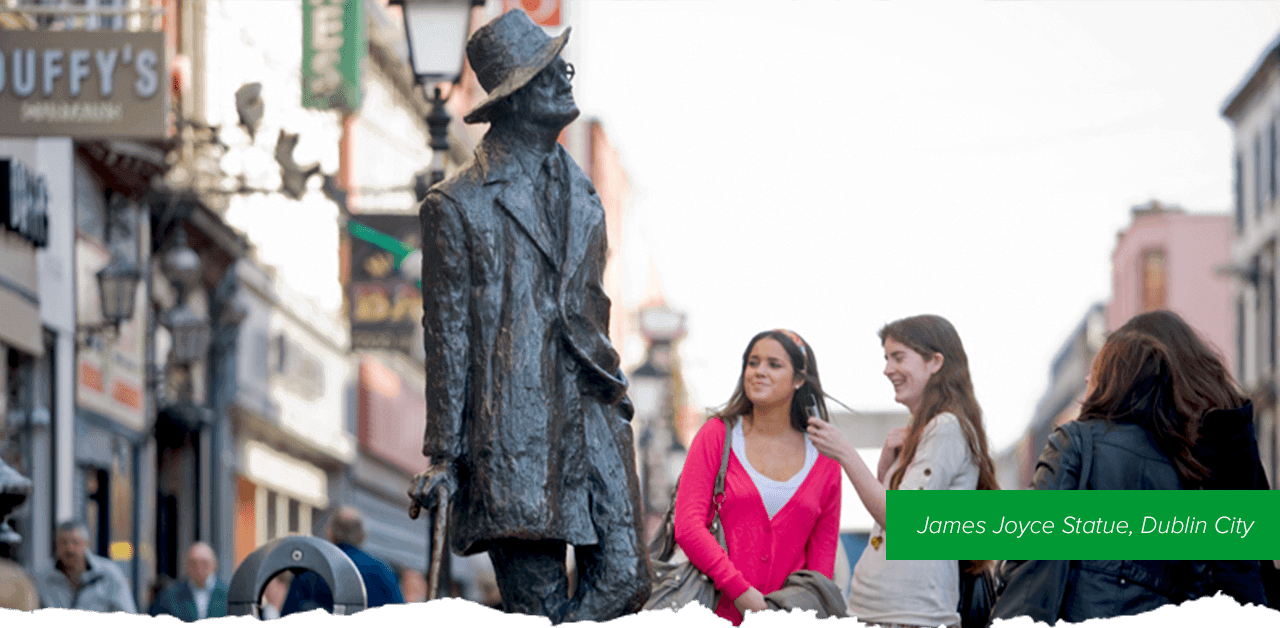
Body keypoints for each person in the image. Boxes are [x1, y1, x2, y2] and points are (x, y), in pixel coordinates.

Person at [407, 8, 650, 625]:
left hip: (590, 409)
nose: (564, 78)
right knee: (537, 602)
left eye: (561, 66)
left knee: (628, 580)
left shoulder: (582, 190)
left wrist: (614, 394)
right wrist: (444, 453)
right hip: (510, 428)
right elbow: (448, 332)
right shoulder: (456, 204)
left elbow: (589, 306)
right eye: (548, 73)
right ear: (515, 99)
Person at [997, 329, 1251, 623]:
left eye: (1095, 371)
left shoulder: (1074, 442)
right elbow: (1197, 582)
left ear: (1112, 380)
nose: (1086, 380)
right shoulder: (1185, 469)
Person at [806, 314, 998, 628]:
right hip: (884, 612)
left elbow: (903, 520)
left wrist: (844, 452)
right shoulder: (923, 432)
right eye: (886, 358)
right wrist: (885, 470)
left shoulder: (946, 428)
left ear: (935, 362)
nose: (887, 369)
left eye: (898, 357)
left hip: (913, 617)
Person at [673, 329, 842, 625]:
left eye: (774, 365)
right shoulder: (717, 435)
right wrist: (743, 594)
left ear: (799, 379)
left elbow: (821, 566)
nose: (759, 372)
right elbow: (687, 526)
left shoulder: (824, 459)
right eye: (753, 363)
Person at [281, 507, 403, 616]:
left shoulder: (310, 571)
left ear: (330, 533)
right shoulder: (383, 571)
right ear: (362, 535)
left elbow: (289, 612)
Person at [36, 520, 136, 613]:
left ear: (86, 544)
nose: (69, 549)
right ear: (56, 545)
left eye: (75, 542)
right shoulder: (43, 578)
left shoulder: (109, 574)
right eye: (63, 543)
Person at [148, 541, 229, 620]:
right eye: (193, 563)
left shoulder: (229, 595)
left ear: (214, 564)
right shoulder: (169, 597)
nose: (199, 568)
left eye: (204, 563)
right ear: (187, 565)